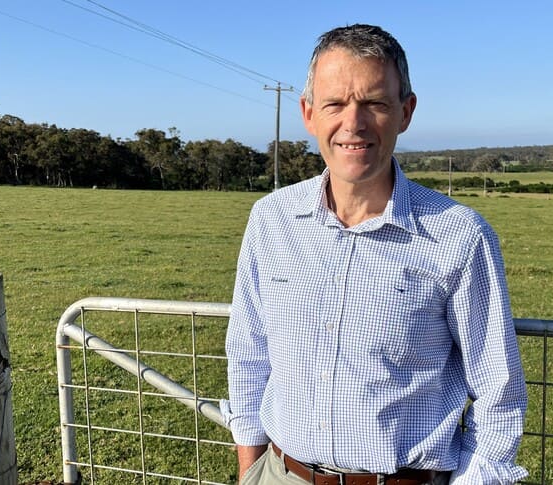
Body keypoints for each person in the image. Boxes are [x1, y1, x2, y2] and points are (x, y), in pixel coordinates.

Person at [221, 24, 528, 485]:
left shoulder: (460, 237)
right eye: (335, 103)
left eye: (375, 103)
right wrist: (253, 469)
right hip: (280, 474)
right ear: (308, 113)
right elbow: (248, 353)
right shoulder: (271, 220)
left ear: (406, 112)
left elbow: (499, 392)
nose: (354, 124)